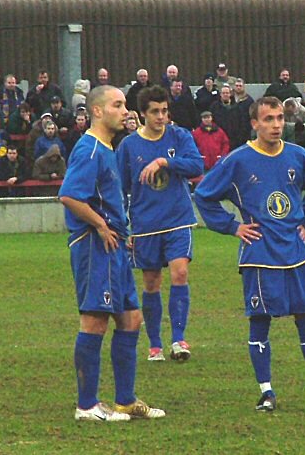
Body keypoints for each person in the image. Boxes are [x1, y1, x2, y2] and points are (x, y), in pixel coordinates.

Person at [194, 95, 305, 412]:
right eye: (268, 119)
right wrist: (232, 226)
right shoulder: (238, 160)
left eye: (279, 118)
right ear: (255, 124)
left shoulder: (298, 155)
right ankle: (266, 393)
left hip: (296, 252)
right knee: (260, 322)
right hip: (260, 254)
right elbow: (203, 195)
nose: (276, 125)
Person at [58, 85, 165, 421]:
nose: (126, 111)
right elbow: (70, 196)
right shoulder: (88, 149)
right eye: (118, 105)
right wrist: (102, 226)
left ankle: (125, 400)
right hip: (95, 245)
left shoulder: (107, 149)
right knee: (94, 320)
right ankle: (87, 405)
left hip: (115, 245)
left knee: (131, 318)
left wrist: (121, 231)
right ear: (98, 111)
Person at [116, 85, 204, 362]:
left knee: (180, 273)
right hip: (145, 225)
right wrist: (122, 227)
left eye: (164, 110)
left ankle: (178, 339)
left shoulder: (180, 136)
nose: (161, 117)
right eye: (155, 112)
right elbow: (118, 187)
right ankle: (155, 344)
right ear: (141, 114)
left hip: (178, 219)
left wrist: (165, 161)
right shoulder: (128, 146)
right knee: (151, 282)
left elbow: (196, 167)